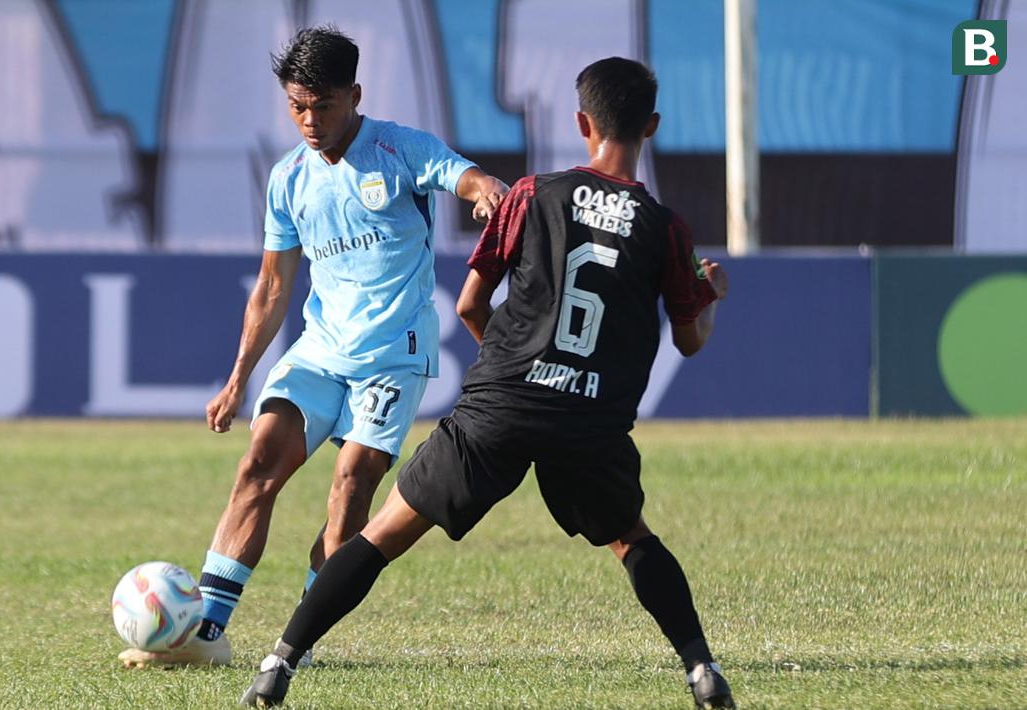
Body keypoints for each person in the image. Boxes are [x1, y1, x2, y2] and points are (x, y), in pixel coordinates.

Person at [241, 57, 737, 709]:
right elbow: (689, 342)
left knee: (381, 534)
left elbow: (471, 304)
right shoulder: (664, 229)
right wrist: (710, 297)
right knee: (629, 538)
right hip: (586, 419)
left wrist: (506, 369)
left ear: (581, 123)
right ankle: (699, 670)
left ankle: (278, 665)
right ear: (651, 126)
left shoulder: (531, 195)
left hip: (499, 406)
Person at [118, 26, 508, 668]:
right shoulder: (288, 179)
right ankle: (207, 638)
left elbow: (461, 176)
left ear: (354, 95)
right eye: (297, 106)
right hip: (320, 353)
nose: (309, 120)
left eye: (322, 106)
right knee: (256, 465)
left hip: (393, 358)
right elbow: (272, 286)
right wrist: (238, 375)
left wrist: (486, 190)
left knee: (350, 489)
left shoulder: (399, 149)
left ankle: (295, 643)